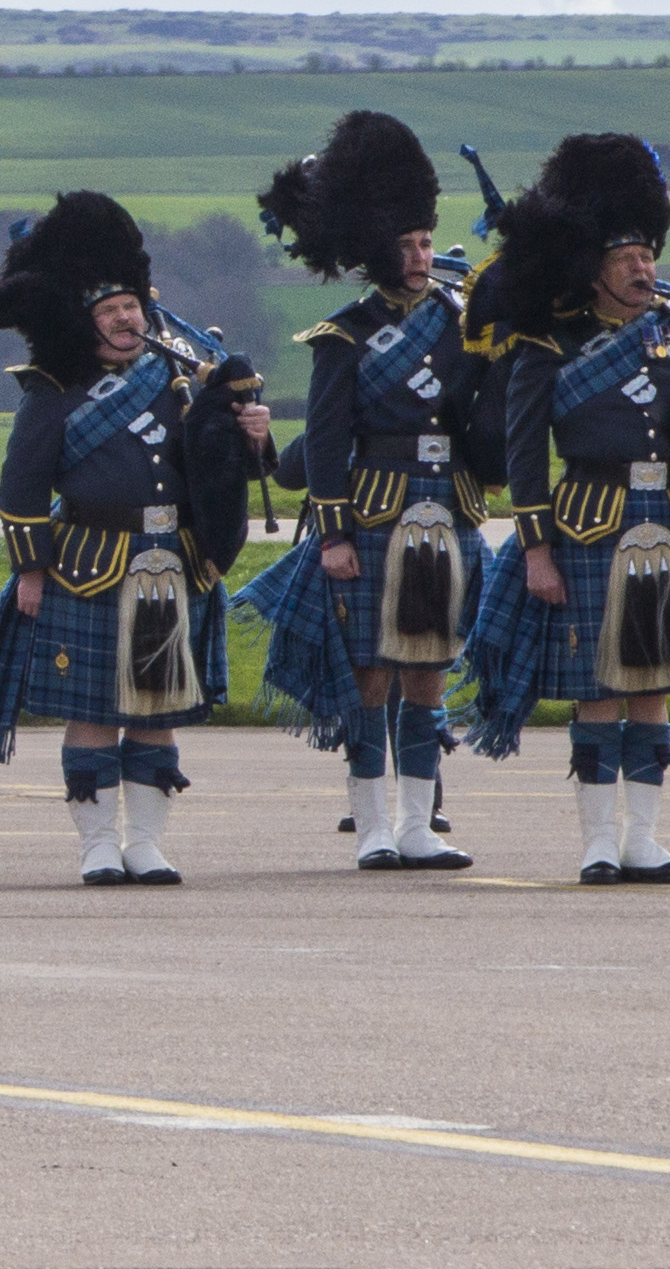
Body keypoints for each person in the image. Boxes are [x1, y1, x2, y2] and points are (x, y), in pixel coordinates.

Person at [454, 135, 670, 886]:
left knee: (652, 686)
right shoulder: (548, 343)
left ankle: (644, 839)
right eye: (625, 260)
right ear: (593, 268)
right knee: (595, 691)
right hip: (587, 520)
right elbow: (521, 454)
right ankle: (596, 842)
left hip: (668, 523)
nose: (642, 270)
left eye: (646, 257)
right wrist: (536, 549)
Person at [0, 193, 259, 886]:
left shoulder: (179, 381)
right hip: (87, 563)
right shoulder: (53, 391)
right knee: (91, 712)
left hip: (170, 562)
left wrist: (252, 441)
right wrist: (28, 572)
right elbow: (25, 488)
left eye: (131, 308)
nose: (126, 320)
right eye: (110, 312)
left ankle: (145, 844)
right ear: (84, 322)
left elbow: (218, 471)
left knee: (155, 712)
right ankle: (96, 844)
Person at [238, 111, 492, 871]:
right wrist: (337, 534)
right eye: (408, 245)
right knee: (370, 675)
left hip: (445, 509)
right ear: (378, 248)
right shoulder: (342, 336)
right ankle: (372, 824)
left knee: (428, 669)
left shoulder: (462, 325)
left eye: (424, 241)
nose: (421, 256)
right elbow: (321, 442)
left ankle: (419, 826)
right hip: (372, 511)